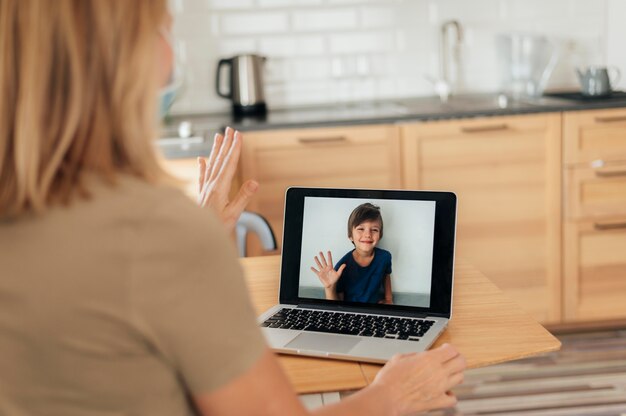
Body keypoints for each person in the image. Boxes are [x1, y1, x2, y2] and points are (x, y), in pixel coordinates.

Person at [0, 1, 466, 415]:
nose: (170, 58)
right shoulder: (152, 234)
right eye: (161, 31)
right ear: (116, 57)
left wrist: (198, 239)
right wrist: (392, 397)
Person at [311, 203, 394, 304]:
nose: (368, 234)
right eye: (361, 229)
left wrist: (389, 298)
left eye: (374, 230)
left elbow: (386, 275)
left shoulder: (385, 257)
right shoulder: (342, 268)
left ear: (380, 235)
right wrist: (329, 288)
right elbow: (337, 306)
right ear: (350, 235)